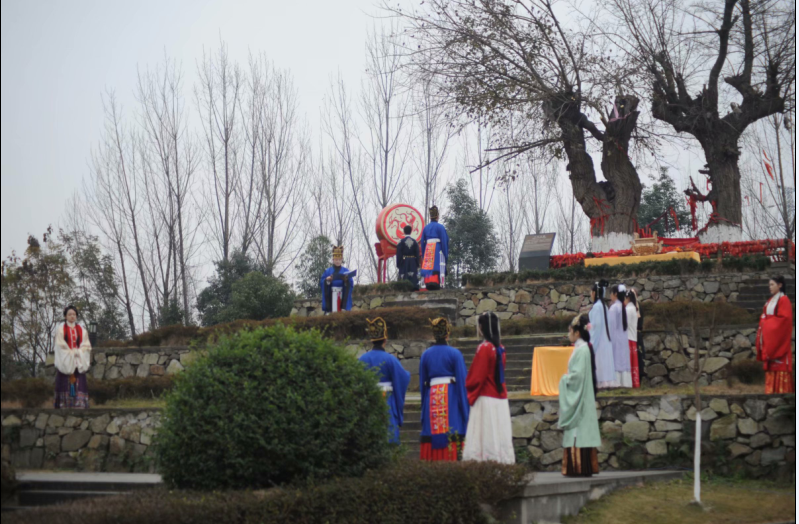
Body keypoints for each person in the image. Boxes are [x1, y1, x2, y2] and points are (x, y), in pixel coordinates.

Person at [463, 312, 515, 464]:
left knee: (485, 432)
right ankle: (501, 462)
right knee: (498, 432)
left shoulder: (484, 348)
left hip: (486, 398)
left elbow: (476, 376)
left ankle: (486, 464)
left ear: (482, 328)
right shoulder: (500, 348)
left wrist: (468, 388)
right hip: (500, 398)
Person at [419, 318, 470, 461]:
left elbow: (423, 383)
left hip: (432, 397)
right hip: (451, 397)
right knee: (452, 427)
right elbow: (462, 383)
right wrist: (466, 412)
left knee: (432, 429)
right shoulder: (455, 354)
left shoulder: (426, 355)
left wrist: (423, 408)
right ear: (447, 334)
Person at [559, 314, 601, 477]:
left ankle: (578, 467)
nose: (568, 332)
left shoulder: (582, 350)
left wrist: (564, 379)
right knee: (579, 431)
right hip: (583, 395)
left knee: (577, 430)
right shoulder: (582, 348)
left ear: (577, 333)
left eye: (570, 329)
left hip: (580, 397)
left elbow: (578, 377)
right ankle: (580, 467)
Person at [359, 317, 411, 444]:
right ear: (385, 340)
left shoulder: (362, 359)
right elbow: (403, 378)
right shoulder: (390, 359)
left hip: (369, 399)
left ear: (372, 340)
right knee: (388, 432)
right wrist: (408, 374)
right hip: (386, 399)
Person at [756, 276, 794, 394]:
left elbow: (785, 320)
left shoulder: (784, 300)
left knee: (780, 364)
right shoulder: (771, 301)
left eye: (772, 284)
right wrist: (764, 322)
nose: (770, 287)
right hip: (771, 337)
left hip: (777, 339)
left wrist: (765, 324)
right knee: (771, 367)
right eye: (769, 285)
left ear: (780, 285)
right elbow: (765, 316)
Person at [54, 305, 92, 409]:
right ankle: (63, 404)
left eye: (74, 314)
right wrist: (70, 353)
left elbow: (86, 345)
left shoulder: (82, 329)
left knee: (79, 382)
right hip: (66, 361)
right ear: (65, 316)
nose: (72, 316)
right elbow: (59, 345)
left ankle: (80, 404)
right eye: (69, 314)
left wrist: (78, 352)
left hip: (78, 361)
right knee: (64, 382)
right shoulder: (61, 329)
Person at [589, 282, 618, 389]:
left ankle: (600, 382)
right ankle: (606, 382)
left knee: (599, 362)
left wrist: (591, 344)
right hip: (605, 339)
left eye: (591, 292)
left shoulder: (597, 307)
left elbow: (595, 326)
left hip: (599, 340)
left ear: (594, 293)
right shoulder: (604, 306)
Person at [420, 206, 449, 291]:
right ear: (437, 217)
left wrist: (424, 254)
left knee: (429, 267)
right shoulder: (440, 227)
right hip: (437, 249)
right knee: (437, 266)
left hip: (428, 249)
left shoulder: (425, 228)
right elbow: (444, 241)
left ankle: (427, 283)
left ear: (430, 216)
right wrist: (445, 254)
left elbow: (422, 242)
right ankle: (439, 283)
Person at [609, 285, 632, 388]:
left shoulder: (614, 308)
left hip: (616, 338)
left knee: (616, 359)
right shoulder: (623, 307)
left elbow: (611, 326)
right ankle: (626, 383)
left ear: (615, 294)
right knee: (623, 359)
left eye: (611, 293)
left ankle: (617, 382)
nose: (610, 295)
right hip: (623, 338)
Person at [320, 245, 354, 313]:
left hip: (342, 295)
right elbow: (322, 282)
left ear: (341, 260)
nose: (337, 261)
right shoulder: (328, 271)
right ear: (333, 260)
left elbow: (351, 283)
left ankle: (344, 307)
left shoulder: (346, 271)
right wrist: (327, 281)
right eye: (336, 259)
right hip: (331, 295)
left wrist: (346, 281)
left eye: (339, 259)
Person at [624, 289, 641, 389]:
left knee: (629, 363)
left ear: (628, 298)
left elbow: (625, 325)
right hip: (633, 338)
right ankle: (635, 382)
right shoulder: (634, 308)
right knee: (634, 363)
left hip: (628, 338)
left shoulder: (627, 310)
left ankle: (629, 383)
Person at [395, 225, 421, 291]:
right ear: (411, 231)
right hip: (413, 260)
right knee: (413, 276)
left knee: (404, 276)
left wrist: (399, 264)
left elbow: (399, 254)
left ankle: (404, 287)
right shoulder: (415, 242)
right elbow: (417, 254)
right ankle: (414, 286)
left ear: (404, 232)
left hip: (404, 260)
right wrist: (417, 263)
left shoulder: (401, 242)